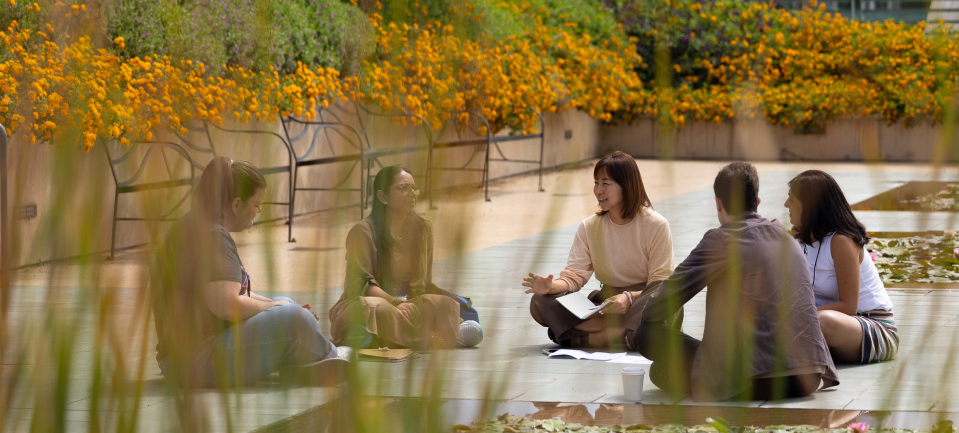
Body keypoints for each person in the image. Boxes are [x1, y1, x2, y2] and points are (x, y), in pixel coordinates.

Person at [630, 162, 838, 402]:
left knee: (648, 342)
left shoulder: (721, 239)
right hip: (807, 377)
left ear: (718, 203)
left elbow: (663, 302)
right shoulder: (786, 237)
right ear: (757, 202)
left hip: (755, 378)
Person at [149, 157, 348, 388]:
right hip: (196, 362)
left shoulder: (194, 224)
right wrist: (278, 309)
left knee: (287, 302)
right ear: (236, 205)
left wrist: (276, 304)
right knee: (296, 318)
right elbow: (226, 304)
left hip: (184, 360)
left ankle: (305, 364)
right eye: (256, 204)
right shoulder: (213, 236)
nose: (259, 210)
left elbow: (232, 294)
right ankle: (333, 356)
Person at [521, 151, 675, 349]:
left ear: (627, 186)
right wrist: (549, 288)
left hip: (642, 299)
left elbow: (660, 284)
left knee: (663, 305)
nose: (598, 190)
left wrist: (628, 298)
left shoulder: (656, 224)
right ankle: (628, 336)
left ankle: (583, 338)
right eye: (596, 182)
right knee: (540, 301)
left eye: (606, 184)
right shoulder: (589, 227)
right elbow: (574, 277)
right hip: (606, 306)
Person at [329, 166, 483, 350]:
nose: (412, 194)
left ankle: (375, 336)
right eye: (403, 188)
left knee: (443, 303)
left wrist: (420, 304)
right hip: (369, 302)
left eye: (414, 188)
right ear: (383, 197)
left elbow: (423, 285)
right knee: (376, 308)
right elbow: (362, 285)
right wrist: (395, 303)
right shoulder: (362, 232)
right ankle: (441, 336)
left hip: (407, 305)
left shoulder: (422, 229)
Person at [786, 169, 897, 364]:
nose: (786, 205)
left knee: (825, 322)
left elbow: (848, 307)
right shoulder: (798, 240)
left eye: (792, 200)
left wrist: (795, 314)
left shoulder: (841, 241)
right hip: (815, 321)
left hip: (871, 327)